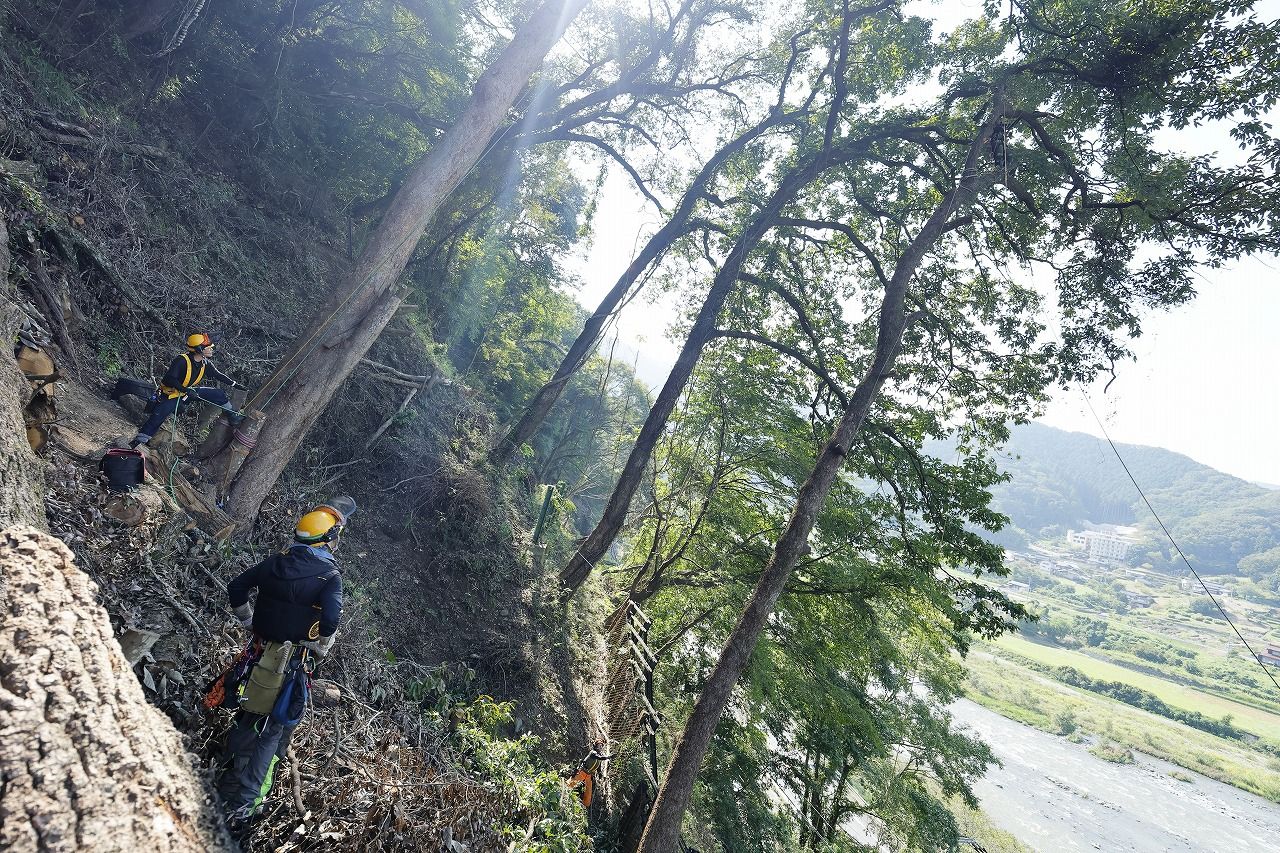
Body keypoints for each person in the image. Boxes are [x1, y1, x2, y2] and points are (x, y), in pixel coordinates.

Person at [214, 497, 355, 827]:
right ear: (326, 540)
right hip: (291, 664)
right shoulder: (328, 576)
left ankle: (227, 777)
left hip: (257, 655)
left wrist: (248, 621)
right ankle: (246, 804)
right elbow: (331, 620)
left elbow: (237, 587)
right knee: (275, 729)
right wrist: (321, 647)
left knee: (248, 713)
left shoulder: (274, 563)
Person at [126, 332, 240, 448]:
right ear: (199, 349)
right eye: (208, 348)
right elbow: (169, 379)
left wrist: (235, 384)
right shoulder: (181, 360)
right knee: (158, 417)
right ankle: (139, 441)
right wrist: (185, 390)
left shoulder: (205, 363)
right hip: (170, 395)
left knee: (218, 394)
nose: (211, 350)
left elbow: (218, 375)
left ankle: (233, 415)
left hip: (186, 393)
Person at [567, 738, 611, 809]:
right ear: (595, 746)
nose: (600, 747)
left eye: (601, 746)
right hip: (583, 771)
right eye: (598, 745)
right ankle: (564, 791)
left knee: (588, 791)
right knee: (572, 783)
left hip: (589, 775)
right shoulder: (593, 753)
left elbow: (599, 766)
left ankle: (585, 805)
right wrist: (608, 757)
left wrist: (599, 773)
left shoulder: (600, 756)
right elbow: (599, 757)